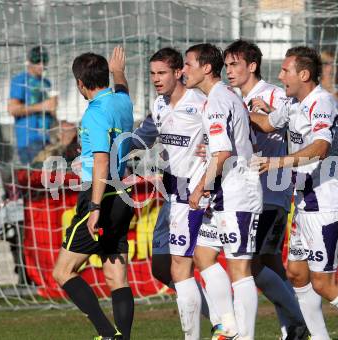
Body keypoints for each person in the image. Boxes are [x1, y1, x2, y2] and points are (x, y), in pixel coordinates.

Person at [250, 46, 338, 340]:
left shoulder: (321, 101)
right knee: (297, 274)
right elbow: (265, 122)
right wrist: (236, 107)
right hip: (304, 205)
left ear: (303, 74)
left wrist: (279, 162)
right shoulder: (292, 104)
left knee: (324, 283)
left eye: (285, 70)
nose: (280, 75)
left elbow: (321, 146)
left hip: (325, 204)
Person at [130, 47, 222, 340]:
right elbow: (142, 137)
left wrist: (212, 150)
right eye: (153, 74)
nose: (156, 79)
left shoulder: (201, 103)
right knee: (162, 269)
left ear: (178, 72)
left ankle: (220, 326)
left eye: (162, 73)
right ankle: (222, 321)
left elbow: (227, 136)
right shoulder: (159, 105)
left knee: (185, 267)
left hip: (195, 197)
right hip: (171, 197)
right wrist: (112, 153)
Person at [222, 39, 308, 340]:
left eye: (235, 64)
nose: (229, 71)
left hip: (272, 190)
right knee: (267, 261)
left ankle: (298, 321)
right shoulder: (231, 97)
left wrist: (264, 115)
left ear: (252, 65)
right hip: (244, 192)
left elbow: (294, 127)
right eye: (227, 65)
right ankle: (293, 327)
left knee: (253, 262)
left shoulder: (272, 93)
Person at [52, 46, 135, 340]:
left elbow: (101, 160)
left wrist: (95, 207)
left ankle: (106, 333)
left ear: (80, 84)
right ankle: (122, 338)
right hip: (123, 195)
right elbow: (123, 89)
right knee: (116, 275)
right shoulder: (122, 102)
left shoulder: (94, 114)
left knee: (63, 271)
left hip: (99, 196)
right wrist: (118, 71)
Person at [183, 43, 262, 340]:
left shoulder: (217, 100)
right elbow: (242, 145)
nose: (183, 71)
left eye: (188, 64)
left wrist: (201, 186)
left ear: (205, 68)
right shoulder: (226, 96)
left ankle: (245, 336)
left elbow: (224, 153)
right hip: (226, 193)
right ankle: (228, 327)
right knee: (203, 255)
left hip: (238, 193)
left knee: (240, 267)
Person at [8, 46, 58, 164]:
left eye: (44, 60)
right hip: (28, 141)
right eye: (37, 60)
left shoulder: (46, 83)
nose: (41, 64)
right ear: (29, 61)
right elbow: (12, 109)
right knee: (35, 178)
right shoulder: (20, 80)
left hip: (47, 140)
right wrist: (41, 106)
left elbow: (50, 111)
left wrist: (55, 119)